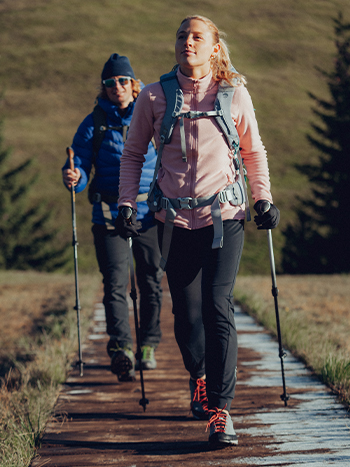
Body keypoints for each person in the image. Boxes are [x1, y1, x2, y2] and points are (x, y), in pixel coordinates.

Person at [116, 16, 280, 448]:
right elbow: (132, 156)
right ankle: (201, 377)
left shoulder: (233, 95)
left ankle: (221, 412)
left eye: (196, 37)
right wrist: (127, 204)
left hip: (226, 218)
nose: (186, 42)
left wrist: (262, 197)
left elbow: (253, 152)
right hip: (174, 223)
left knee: (217, 305)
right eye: (181, 36)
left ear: (213, 47)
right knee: (187, 317)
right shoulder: (153, 96)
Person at [62, 53, 163, 382]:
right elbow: (78, 165)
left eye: (122, 81)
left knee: (150, 281)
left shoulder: (151, 113)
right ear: (103, 88)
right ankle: (122, 349)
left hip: (149, 213)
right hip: (108, 214)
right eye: (109, 83)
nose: (116, 87)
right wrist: (73, 176)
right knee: (116, 285)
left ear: (134, 84)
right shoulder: (94, 123)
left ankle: (147, 345)